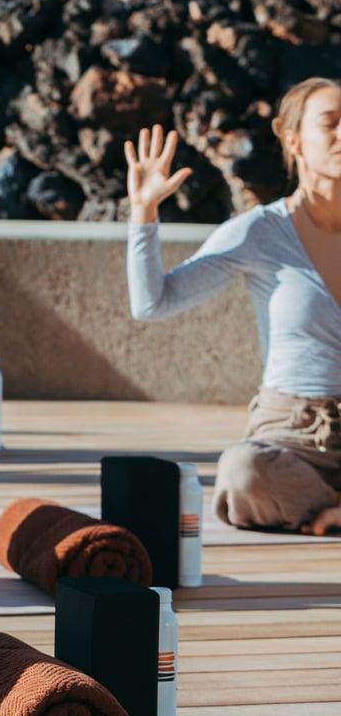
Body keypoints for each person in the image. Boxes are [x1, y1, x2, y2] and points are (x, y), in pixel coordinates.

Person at [126, 79, 341, 536]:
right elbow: (153, 304)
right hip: (295, 435)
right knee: (243, 474)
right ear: (292, 137)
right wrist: (143, 213)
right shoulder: (260, 232)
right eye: (332, 123)